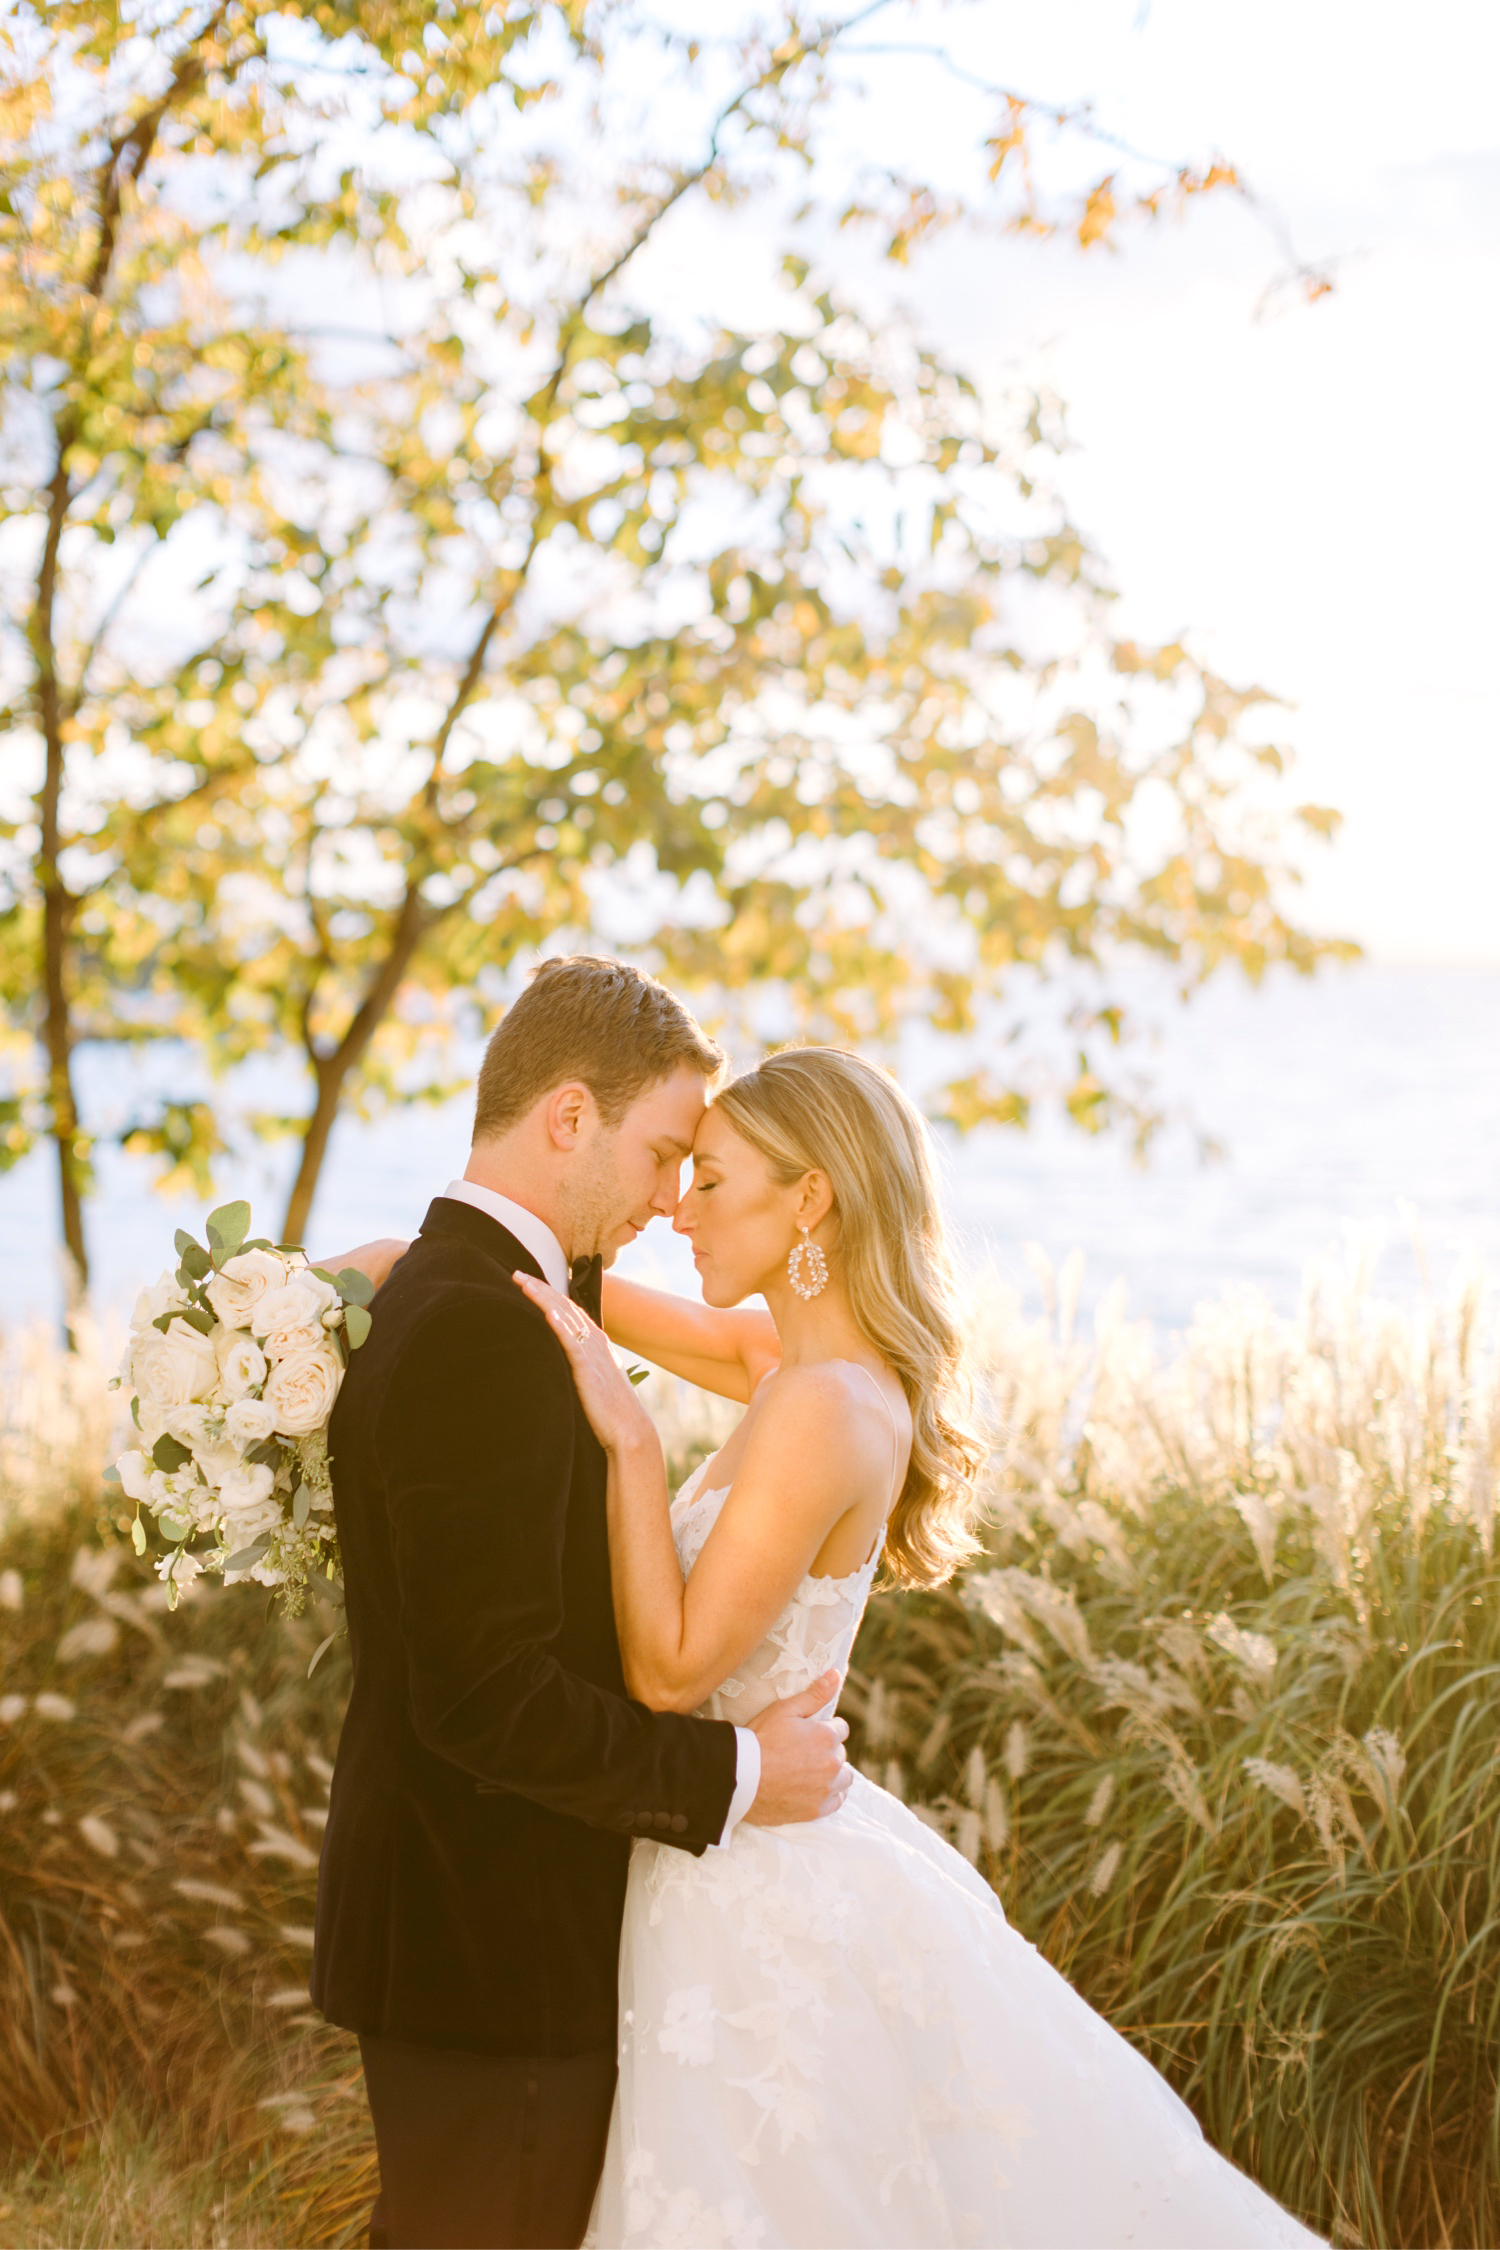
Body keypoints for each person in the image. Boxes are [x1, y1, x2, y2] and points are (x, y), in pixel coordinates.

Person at [518, 1043, 1324, 2250]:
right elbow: (554, 1294)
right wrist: (418, 1264)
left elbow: (673, 1673)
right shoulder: (804, 1367)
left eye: (712, 1181)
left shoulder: (824, 1408)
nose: (680, 1207)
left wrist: (631, 1445)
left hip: (750, 1888)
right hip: (743, 1846)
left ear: (810, 1199)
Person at [311, 958, 850, 2250]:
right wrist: (732, 1772)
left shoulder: (479, 1295)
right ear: (568, 1116)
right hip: (494, 1944)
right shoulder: (479, 1332)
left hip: (473, 1935)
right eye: (667, 1151)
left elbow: (774, 1350)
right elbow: (483, 1698)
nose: (674, 1196)